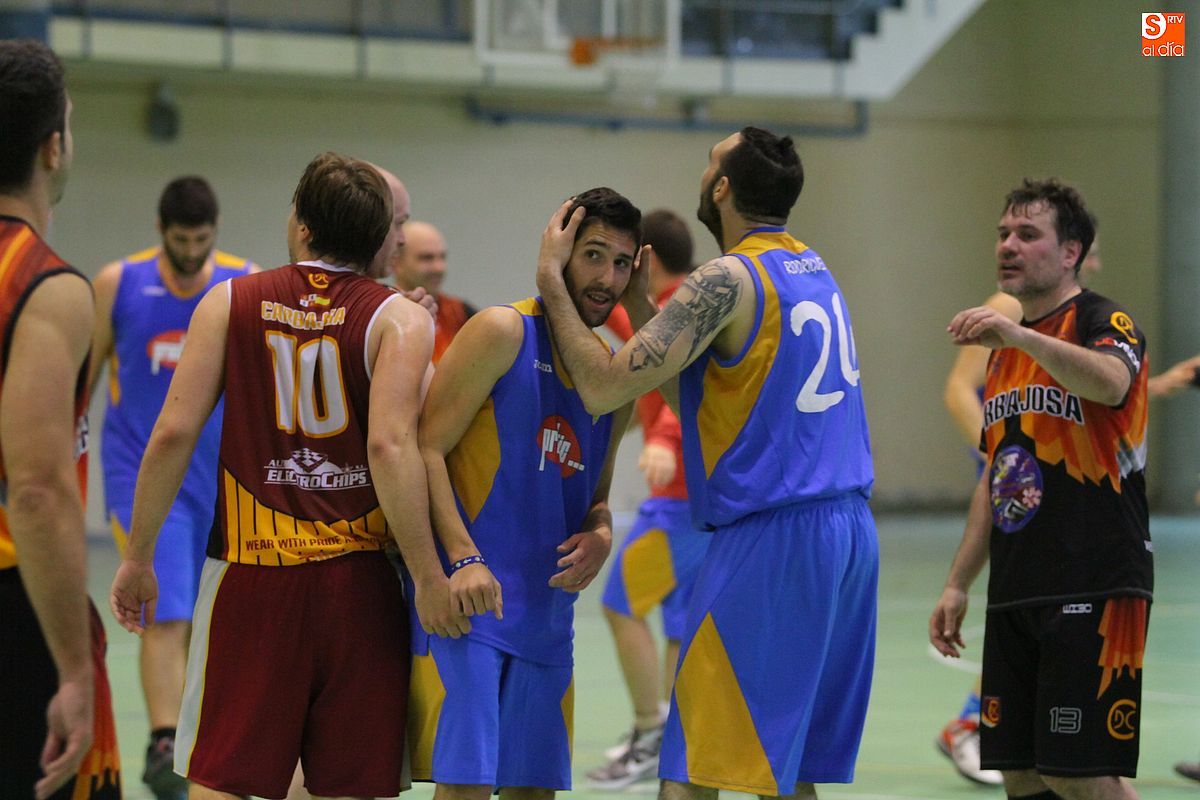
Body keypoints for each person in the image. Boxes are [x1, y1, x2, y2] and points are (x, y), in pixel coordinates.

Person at [535, 127, 878, 800]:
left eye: (708, 163)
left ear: (721, 187)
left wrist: (551, 280)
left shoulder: (725, 278)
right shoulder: (811, 266)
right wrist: (641, 306)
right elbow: (710, 395)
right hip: (847, 534)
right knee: (780, 772)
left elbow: (603, 387)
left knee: (691, 770)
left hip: (774, 539)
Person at [110, 151, 459, 800]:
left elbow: (173, 433)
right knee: (348, 784)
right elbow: (392, 447)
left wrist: (137, 556)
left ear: (302, 224)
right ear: (380, 237)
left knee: (220, 775)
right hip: (359, 585)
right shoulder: (400, 318)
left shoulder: (228, 300)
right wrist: (430, 575)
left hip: (250, 574)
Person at [411, 187, 637, 797]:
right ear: (557, 252)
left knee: (533, 791)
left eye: (621, 263)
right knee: (465, 788)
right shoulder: (501, 331)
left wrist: (600, 535)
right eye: (593, 255)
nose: (606, 278)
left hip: (547, 620)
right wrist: (461, 559)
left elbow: (597, 497)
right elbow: (425, 449)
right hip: (470, 610)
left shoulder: (616, 381)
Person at [930, 179, 1150, 800]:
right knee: (1021, 773)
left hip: (1094, 579)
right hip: (1018, 583)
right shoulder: (1003, 355)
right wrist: (958, 582)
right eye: (1004, 233)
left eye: (1028, 235)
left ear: (1071, 251)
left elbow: (1111, 382)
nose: (1008, 245)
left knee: (1078, 773)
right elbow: (999, 474)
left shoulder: (1103, 320)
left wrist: (1021, 336)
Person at [89, 175, 256, 800]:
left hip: (221, 475)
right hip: (140, 472)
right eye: (181, 240)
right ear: (161, 231)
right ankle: (166, 741)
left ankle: (201, 734)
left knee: (215, 614)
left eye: (201, 240)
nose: (191, 252)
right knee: (167, 609)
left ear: (216, 233)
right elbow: (82, 377)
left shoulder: (242, 283)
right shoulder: (119, 283)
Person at [0, 38, 121, 800]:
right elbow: (38, 488)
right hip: (16, 607)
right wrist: (75, 670)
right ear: (54, 147)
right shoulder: (47, 288)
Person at [937, 235, 1103, 787]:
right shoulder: (1008, 307)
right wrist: (998, 453)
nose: (1096, 262)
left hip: (1035, 470)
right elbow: (958, 390)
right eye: (1091, 251)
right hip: (1011, 472)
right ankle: (969, 722)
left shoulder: (1072, 319)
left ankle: (982, 719)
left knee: (1031, 603)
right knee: (1016, 601)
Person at [586, 209, 711, 789]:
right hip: (704, 502)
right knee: (678, 623)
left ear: (646, 260)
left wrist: (664, 437)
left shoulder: (668, 311)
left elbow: (695, 389)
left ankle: (648, 730)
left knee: (621, 604)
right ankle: (671, 736)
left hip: (678, 501)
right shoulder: (694, 302)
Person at [390, 219, 476, 362]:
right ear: (396, 262)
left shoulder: (461, 314)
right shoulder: (381, 314)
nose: (438, 268)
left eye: (442, 257)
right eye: (426, 258)